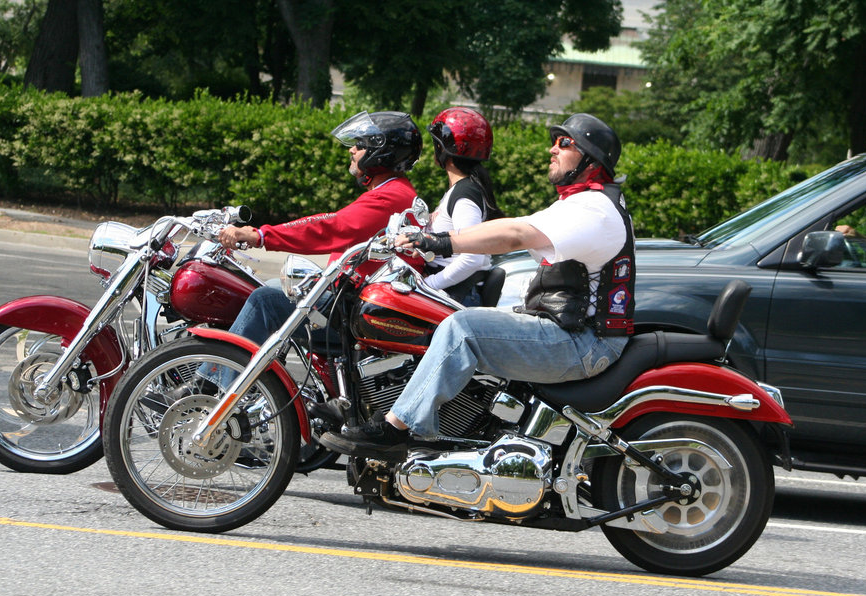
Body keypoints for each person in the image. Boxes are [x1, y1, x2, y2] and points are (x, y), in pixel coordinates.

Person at [322, 113, 635, 461]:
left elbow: (515, 234)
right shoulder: (580, 202)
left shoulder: (595, 209)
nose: (552, 149)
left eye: (565, 143)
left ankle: (399, 430)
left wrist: (438, 242)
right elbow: (517, 225)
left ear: (591, 158)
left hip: (582, 342)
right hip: (573, 332)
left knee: (462, 327)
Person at [196, 111, 422, 389]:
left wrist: (259, 235)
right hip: (353, 301)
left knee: (264, 301)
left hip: (353, 310)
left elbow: (331, 228)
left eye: (361, 144)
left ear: (381, 153)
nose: (352, 149)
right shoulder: (392, 190)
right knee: (265, 286)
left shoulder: (391, 196)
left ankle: (210, 388)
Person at [422, 107, 504, 305]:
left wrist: (428, 285)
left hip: (455, 295)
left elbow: (472, 257)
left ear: (443, 149)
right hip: (454, 293)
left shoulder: (465, 194)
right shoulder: (463, 189)